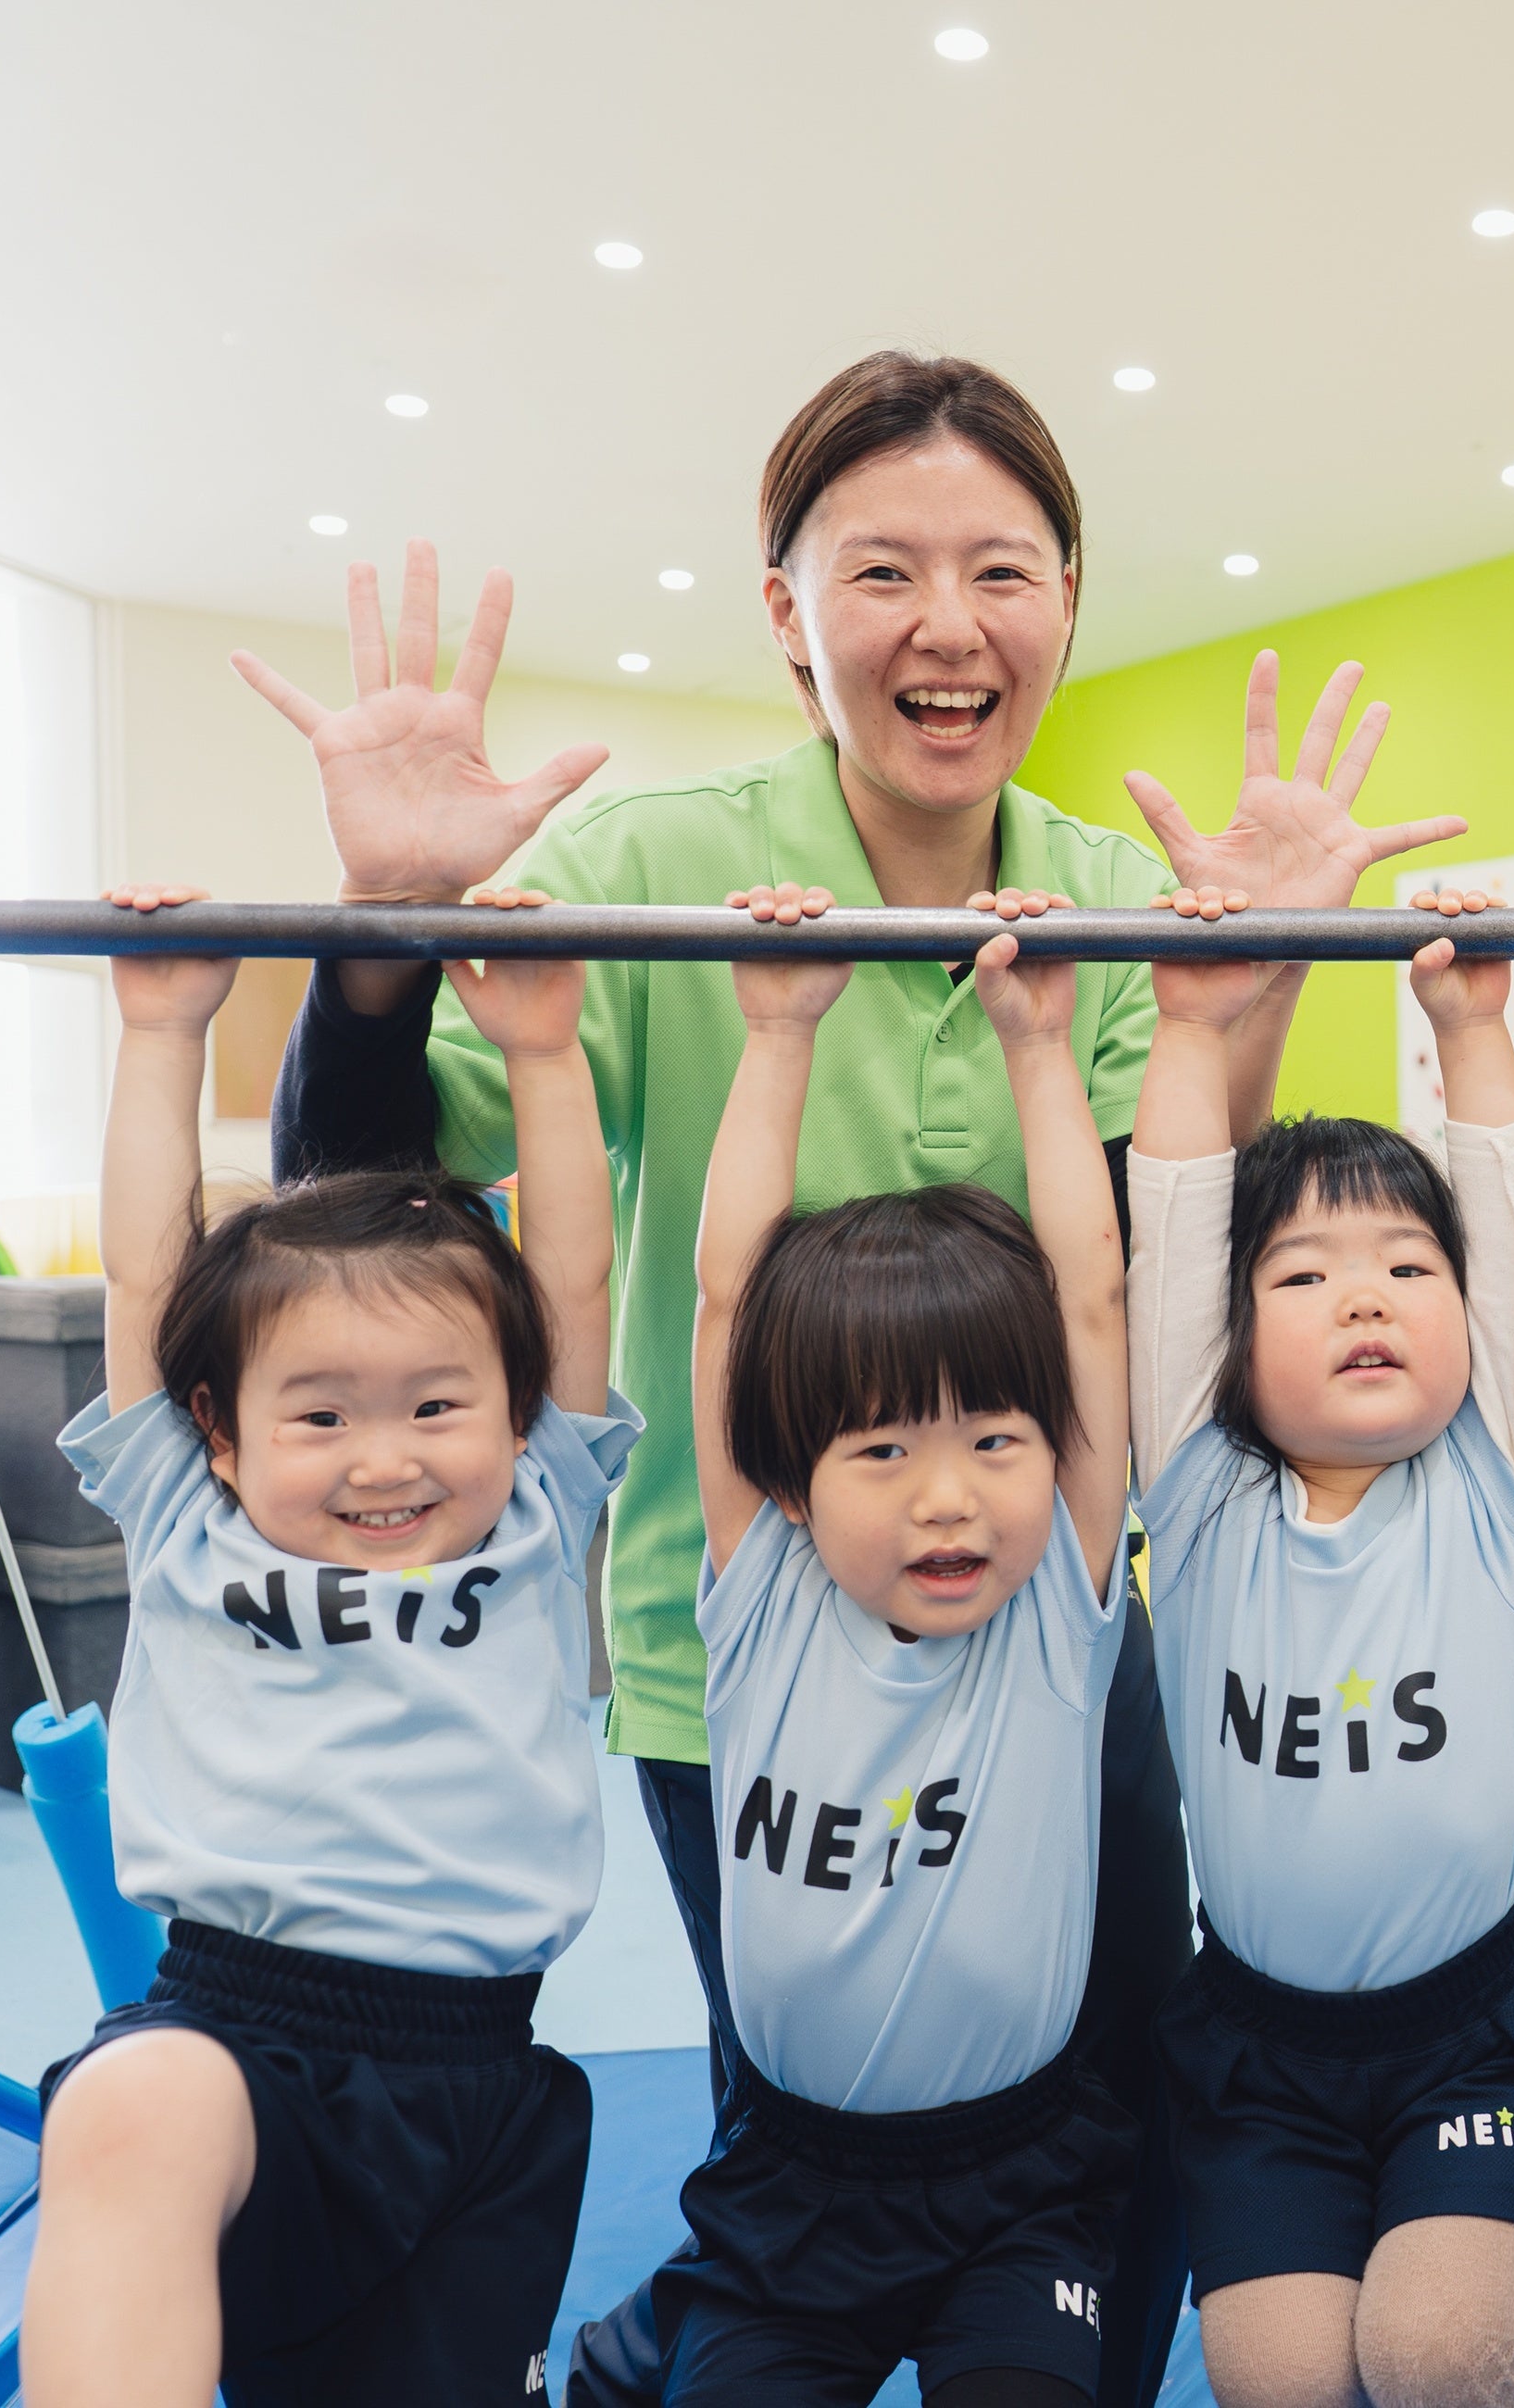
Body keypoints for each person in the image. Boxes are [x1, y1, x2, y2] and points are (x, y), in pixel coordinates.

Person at [250, 351, 1459, 2404]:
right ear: (786, 611)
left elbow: (1149, 1271)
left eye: (1003, 569)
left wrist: (1234, 1001)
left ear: (1066, 600)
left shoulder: (1104, 890)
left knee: (1127, 2105)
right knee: (808, 2139)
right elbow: (360, 1193)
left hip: (1050, 1631)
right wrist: (379, 928)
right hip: (734, 1643)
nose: (947, 624)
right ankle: (657, 2356)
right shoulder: (657, 868)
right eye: (882, 571)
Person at [24, 883, 637, 2406]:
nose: (386, 1460)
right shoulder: (188, 1513)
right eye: (321, 1416)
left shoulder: (535, 1511)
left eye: (436, 1406)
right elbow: (148, 1283)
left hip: (479, 2083)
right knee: (127, 2107)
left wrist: (545, 1054)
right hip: (239, 2033)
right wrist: (165, 1034)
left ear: (515, 1415)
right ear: (222, 1434)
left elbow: (571, 1281)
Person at [579, 887, 1135, 2405]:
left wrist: (1043, 1050)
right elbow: (725, 1302)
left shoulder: (1055, 1610)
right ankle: (634, 2353)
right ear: (791, 1478)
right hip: (791, 2189)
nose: (948, 1497)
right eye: (883, 1452)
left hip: (1023, 2189)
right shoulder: (766, 1593)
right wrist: (776, 1035)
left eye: (995, 1442)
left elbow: (1092, 1302)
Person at [1128, 885, 1514, 2408]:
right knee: (1277, 2381)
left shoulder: (1483, 1476)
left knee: (1433, 2354)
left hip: (1469, 2035)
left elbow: (1508, 1217)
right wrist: (1189, 1027)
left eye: (1405, 1266)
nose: (1365, 1298)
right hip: (1257, 2055)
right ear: (1229, 1334)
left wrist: (1472, 1024)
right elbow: (1174, 1230)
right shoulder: (1199, 1494)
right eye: (1304, 1275)